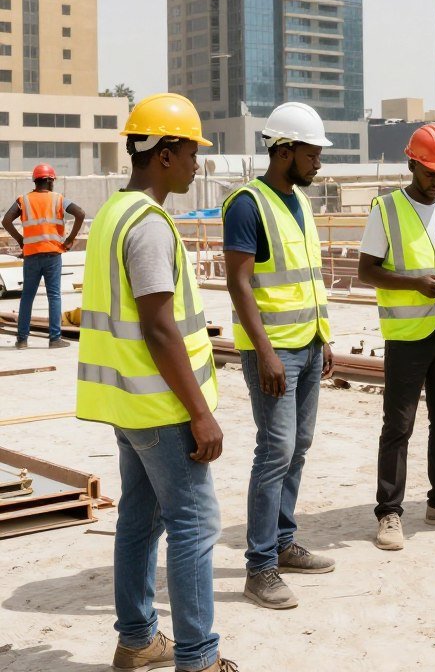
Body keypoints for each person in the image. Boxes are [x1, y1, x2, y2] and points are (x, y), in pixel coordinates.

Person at [75, 93, 236, 672]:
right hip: (163, 407)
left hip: (129, 403)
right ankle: (198, 657)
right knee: (195, 525)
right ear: (164, 153)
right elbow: (160, 328)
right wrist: (201, 412)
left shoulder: (113, 214)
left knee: (139, 522)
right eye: (192, 152)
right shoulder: (148, 225)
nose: (197, 164)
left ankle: (138, 640)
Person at [223, 102, 336, 610]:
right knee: (275, 451)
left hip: (308, 345)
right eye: (312, 154)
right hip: (275, 353)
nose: (318, 164)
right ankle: (260, 567)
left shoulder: (300, 202)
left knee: (298, 446)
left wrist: (323, 338)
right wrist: (265, 353)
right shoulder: (248, 203)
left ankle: (283, 542)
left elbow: (307, 280)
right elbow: (239, 282)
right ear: (284, 151)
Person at [358, 123, 435, 550]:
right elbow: (366, 270)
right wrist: (414, 283)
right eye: (431, 173)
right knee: (399, 425)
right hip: (407, 334)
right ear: (411, 164)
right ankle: (389, 513)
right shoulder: (386, 209)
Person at [3, 164, 85, 348]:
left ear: (36, 181)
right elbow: (80, 213)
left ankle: (22, 340)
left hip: (31, 255)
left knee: (27, 296)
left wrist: (21, 240)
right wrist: (70, 239)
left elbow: (6, 221)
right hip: (53, 254)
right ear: (49, 181)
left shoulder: (23, 200)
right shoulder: (58, 199)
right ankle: (54, 339)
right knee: (54, 296)